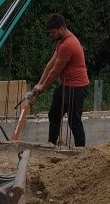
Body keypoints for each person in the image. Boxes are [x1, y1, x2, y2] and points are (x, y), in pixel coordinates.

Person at [33, 14, 90, 148]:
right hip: (66, 85)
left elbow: (55, 72)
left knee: (73, 121)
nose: (51, 35)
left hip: (77, 88)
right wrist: (39, 84)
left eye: (53, 32)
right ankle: (51, 145)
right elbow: (51, 64)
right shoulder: (61, 42)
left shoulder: (68, 45)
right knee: (54, 114)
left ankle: (81, 151)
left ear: (62, 29)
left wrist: (43, 87)